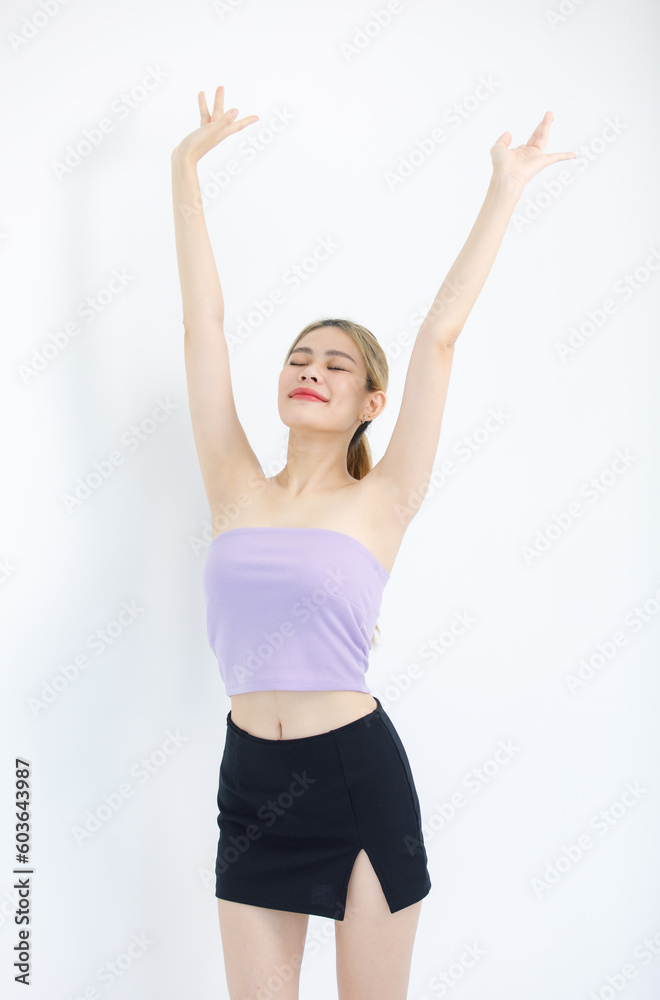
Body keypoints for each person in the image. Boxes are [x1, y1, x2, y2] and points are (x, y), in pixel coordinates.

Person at [171, 85, 576, 1000]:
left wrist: (504, 188)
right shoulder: (232, 482)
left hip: (356, 777)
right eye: (298, 358)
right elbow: (202, 327)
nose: (310, 370)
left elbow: (438, 338)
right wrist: (182, 170)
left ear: (370, 403)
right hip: (250, 776)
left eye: (336, 364)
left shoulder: (385, 499)